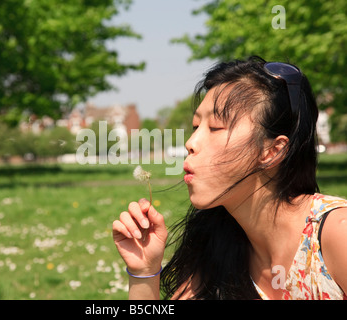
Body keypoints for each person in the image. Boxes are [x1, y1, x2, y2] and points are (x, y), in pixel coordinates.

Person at [112, 56, 347, 300]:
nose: (190, 143)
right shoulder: (217, 248)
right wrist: (144, 272)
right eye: (195, 127)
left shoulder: (337, 235)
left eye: (215, 127)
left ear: (272, 151)